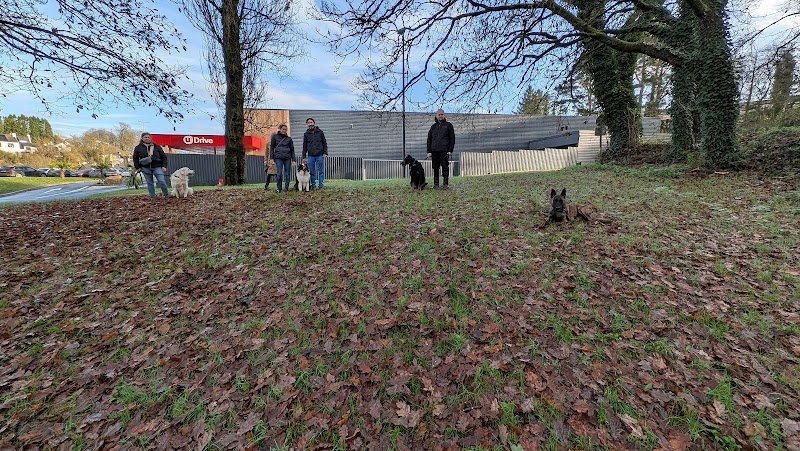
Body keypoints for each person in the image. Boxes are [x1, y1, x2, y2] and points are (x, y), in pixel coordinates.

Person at [132, 132, 169, 199]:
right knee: (150, 183)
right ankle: (153, 197)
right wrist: (138, 167)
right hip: (145, 168)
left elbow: (164, 157)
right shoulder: (138, 147)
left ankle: (166, 195)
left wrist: (164, 166)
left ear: (151, 138)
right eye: (145, 137)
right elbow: (135, 158)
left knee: (161, 181)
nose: (147, 138)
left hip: (157, 166)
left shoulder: (157, 146)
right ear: (142, 138)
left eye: (148, 137)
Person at [426, 108, 455, 189]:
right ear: (436, 115)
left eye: (442, 114)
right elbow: (429, 139)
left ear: (444, 115)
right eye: (439, 114)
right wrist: (429, 151)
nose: (440, 116)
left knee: (445, 168)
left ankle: (445, 184)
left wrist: (450, 150)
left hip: (444, 151)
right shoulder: (433, 127)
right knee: (435, 168)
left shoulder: (448, 125)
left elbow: (452, 138)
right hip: (434, 151)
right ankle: (436, 185)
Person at [302, 118, 328, 190]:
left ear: (314, 123)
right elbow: (304, 146)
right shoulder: (306, 134)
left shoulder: (320, 132)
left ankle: (321, 186)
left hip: (320, 155)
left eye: (311, 122)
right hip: (311, 156)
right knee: (312, 172)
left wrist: (325, 152)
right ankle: (313, 186)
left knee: (321, 171)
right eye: (308, 123)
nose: (310, 124)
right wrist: (304, 157)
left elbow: (324, 143)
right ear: (307, 124)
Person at [269, 124, 295, 193]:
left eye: (286, 130)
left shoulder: (289, 139)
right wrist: (271, 158)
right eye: (283, 129)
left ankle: (286, 188)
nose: (284, 131)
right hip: (278, 158)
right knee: (279, 173)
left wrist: (294, 160)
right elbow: (271, 148)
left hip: (287, 158)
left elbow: (292, 149)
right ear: (280, 129)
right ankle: (279, 188)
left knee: (287, 174)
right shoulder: (275, 137)